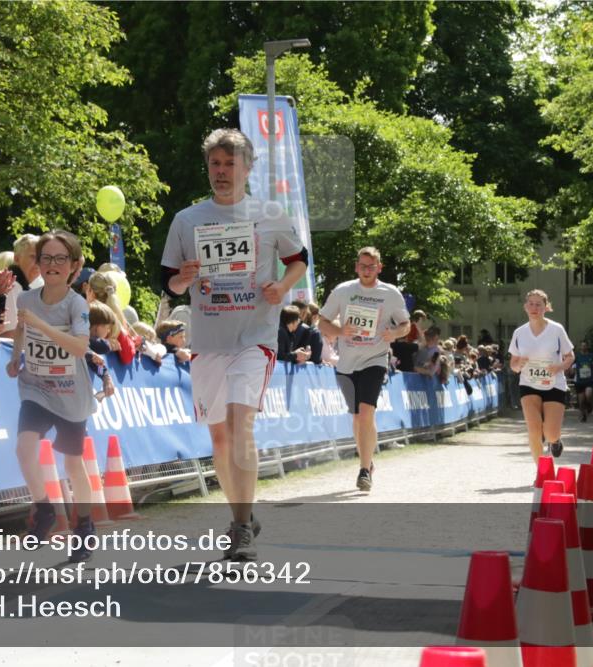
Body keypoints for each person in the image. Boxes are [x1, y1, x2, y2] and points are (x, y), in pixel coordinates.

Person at [161, 128, 308, 561]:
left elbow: (298, 260)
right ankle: (241, 513)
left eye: (230, 164)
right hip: (208, 338)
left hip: (254, 337)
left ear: (247, 168)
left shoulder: (270, 213)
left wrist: (282, 286)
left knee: (241, 423)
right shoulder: (187, 219)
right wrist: (182, 279)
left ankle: (241, 528)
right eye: (215, 164)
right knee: (220, 439)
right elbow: (166, 280)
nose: (221, 172)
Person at [7, 229, 97, 563]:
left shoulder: (77, 304)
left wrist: (42, 326)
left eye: (61, 258)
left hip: (71, 393)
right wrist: (16, 357)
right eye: (46, 258)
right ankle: (44, 510)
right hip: (37, 387)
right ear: (38, 263)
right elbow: (21, 329)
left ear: (73, 265)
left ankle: (84, 524)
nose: (53, 264)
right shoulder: (27, 300)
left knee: (74, 464)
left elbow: (79, 346)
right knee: (24, 447)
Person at [318, 247, 410, 491]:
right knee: (358, 418)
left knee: (367, 412)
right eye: (363, 266)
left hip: (375, 358)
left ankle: (363, 469)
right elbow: (322, 321)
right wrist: (340, 331)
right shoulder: (343, 291)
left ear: (379, 267)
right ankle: (368, 462)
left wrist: (395, 333)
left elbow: (406, 324)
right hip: (346, 362)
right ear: (356, 266)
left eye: (372, 266)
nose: (367, 270)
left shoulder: (390, 293)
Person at [508, 289, 575, 463]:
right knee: (534, 430)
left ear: (546, 307)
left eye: (538, 304)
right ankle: (541, 471)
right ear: (525, 307)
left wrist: (559, 366)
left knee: (550, 433)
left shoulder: (556, 330)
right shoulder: (519, 333)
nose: (534, 307)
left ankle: (555, 441)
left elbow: (570, 356)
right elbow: (513, 364)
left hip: (554, 383)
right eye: (531, 303)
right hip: (528, 384)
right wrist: (518, 365)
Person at [573, 341, 593, 421]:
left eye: (585, 346)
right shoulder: (577, 356)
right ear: (580, 347)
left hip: (589, 380)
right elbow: (572, 364)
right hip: (579, 381)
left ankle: (589, 405)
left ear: (587, 347)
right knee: (581, 401)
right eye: (582, 346)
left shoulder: (591, 356)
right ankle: (583, 416)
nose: (583, 347)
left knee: (588, 394)